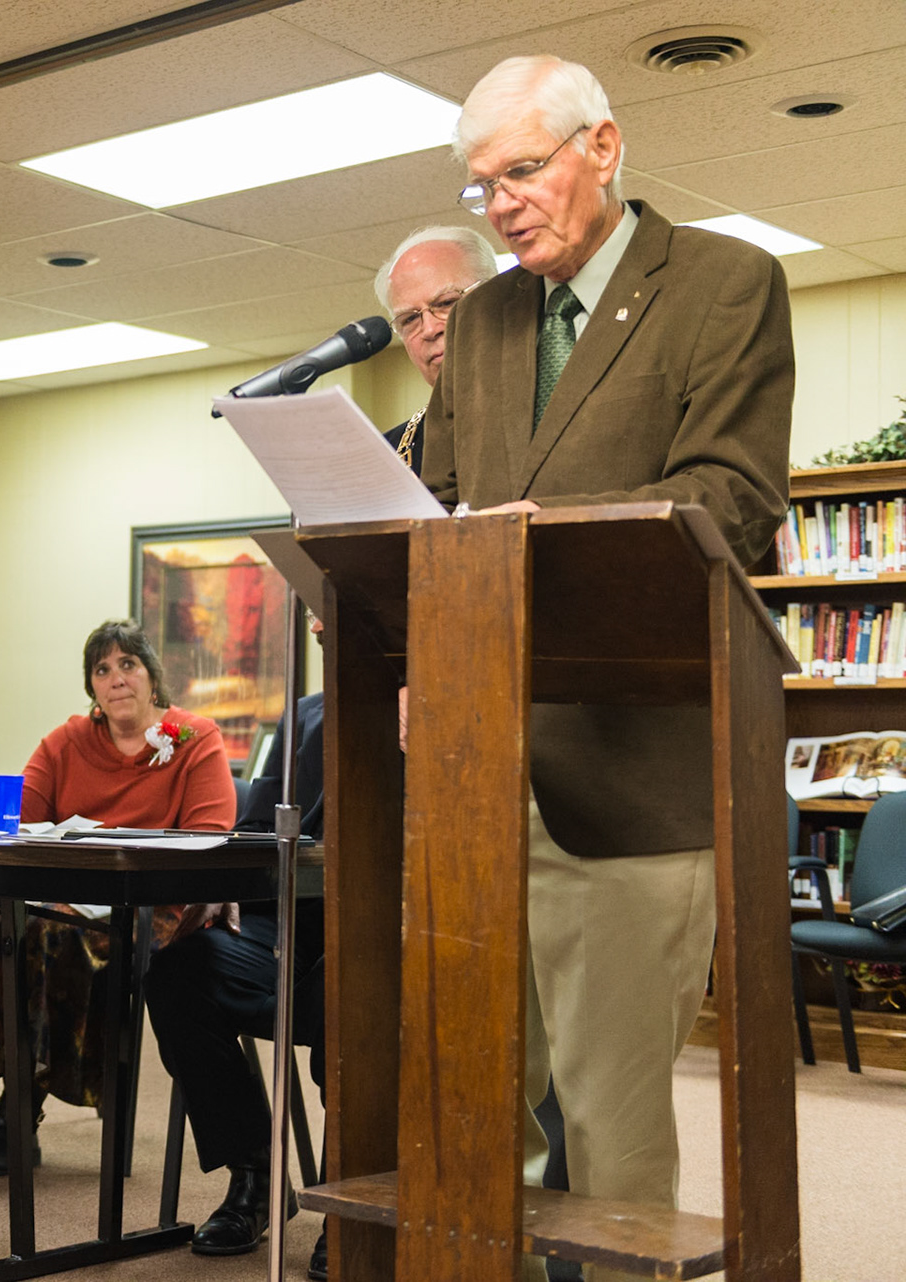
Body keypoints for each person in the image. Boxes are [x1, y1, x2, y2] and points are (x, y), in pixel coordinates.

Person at [424, 54, 792, 1281]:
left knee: (615, 1148)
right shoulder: (479, 322)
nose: (506, 204)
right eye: (484, 188)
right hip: (479, 781)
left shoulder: (725, 284)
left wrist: (517, 545)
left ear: (604, 147)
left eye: (523, 171)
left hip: (631, 780)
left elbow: (730, 502)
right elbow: (431, 504)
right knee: (479, 1135)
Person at [144, 227, 494, 1277]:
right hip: (290, 936)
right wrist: (211, 889)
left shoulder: (521, 447)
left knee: (363, 980)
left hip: (397, 929)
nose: (431, 333)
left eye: (450, 309)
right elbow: (255, 831)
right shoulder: (306, 718)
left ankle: (358, 1208)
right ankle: (253, 1176)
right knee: (180, 963)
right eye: (414, 317)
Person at [0, 619, 234, 1176]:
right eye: (102, 669)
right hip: (66, 897)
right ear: (91, 685)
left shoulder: (195, 740)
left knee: (50, 936)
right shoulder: (68, 740)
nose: (116, 678)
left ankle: (19, 1116)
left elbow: (209, 842)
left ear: (151, 676)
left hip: (150, 907)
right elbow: (18, 820)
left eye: (128, 665)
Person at [372, 224, 502, 473]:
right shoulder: (388, 456)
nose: (430, 329)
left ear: (496, 298)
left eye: (446, 303)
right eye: (409, 319)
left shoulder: (556, 410)